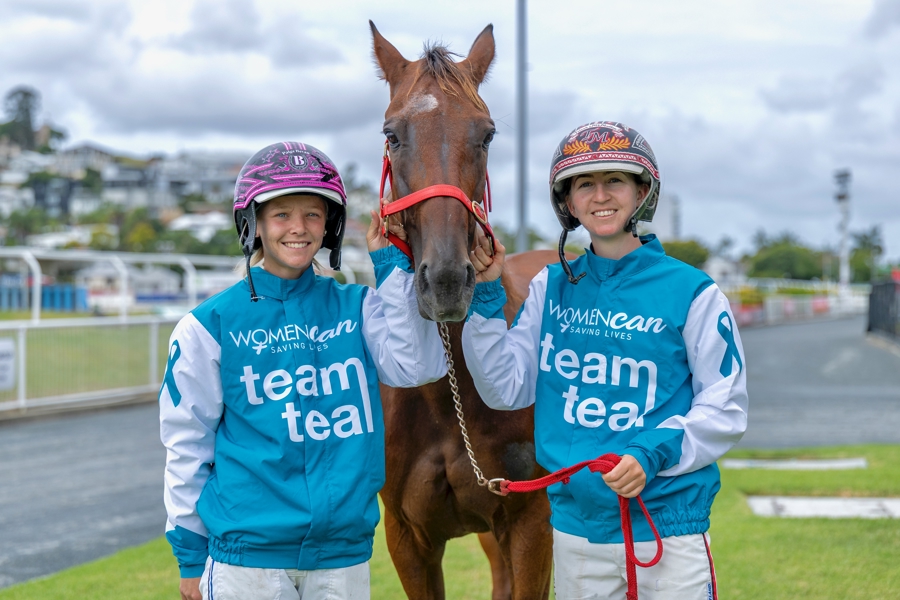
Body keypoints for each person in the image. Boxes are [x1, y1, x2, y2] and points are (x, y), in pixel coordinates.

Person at [462, 121, 748, 599]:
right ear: (568, 202)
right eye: (584, 184)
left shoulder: (694, 292)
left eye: (614, 180)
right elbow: (505, 387)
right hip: (577, 531)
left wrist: (649, 453)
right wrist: (487, 293)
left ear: (641, 191)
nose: (601, 196)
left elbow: (726, 408)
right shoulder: (548, 286)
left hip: (668, 525)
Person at [159, 142, 447, 600]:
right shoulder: (206, 326)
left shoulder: (359, 307)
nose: (299, 228)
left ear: (330, 226)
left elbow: (418, 366)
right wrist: (191, 557)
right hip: (246, 561)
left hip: (342, 557)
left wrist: (391, 264)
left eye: (313, 215)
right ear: (252, 224)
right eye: (281, 215)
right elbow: (186, 448)